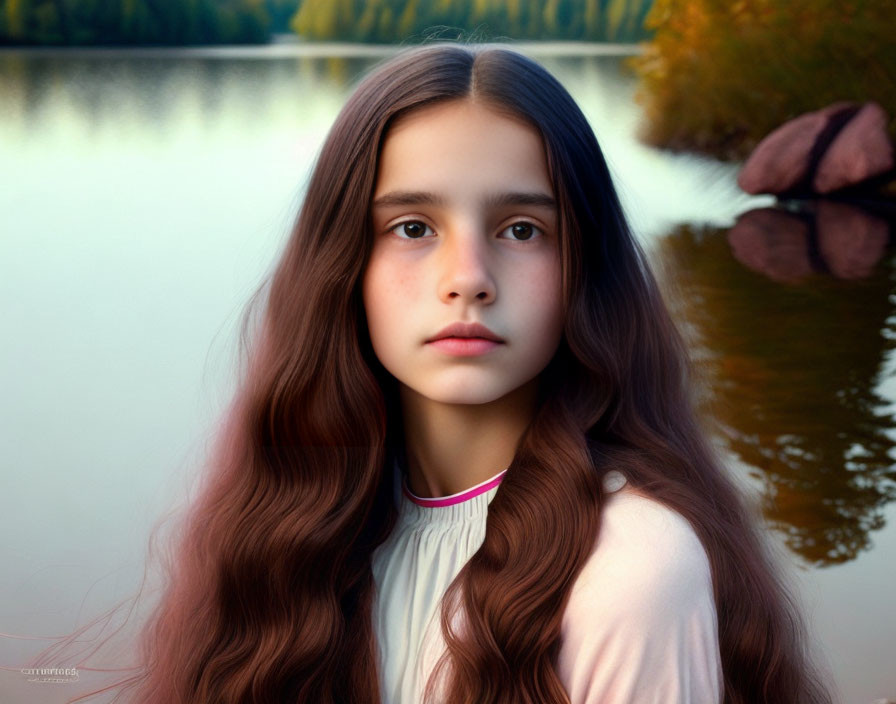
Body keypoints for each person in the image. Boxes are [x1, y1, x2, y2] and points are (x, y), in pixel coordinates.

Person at [47, 42, 830, 704]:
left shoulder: (631, 572)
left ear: (584, 266)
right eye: (413, 227)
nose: (468, 277)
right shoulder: (301, 529)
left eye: (522, 229)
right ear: (342, 263)